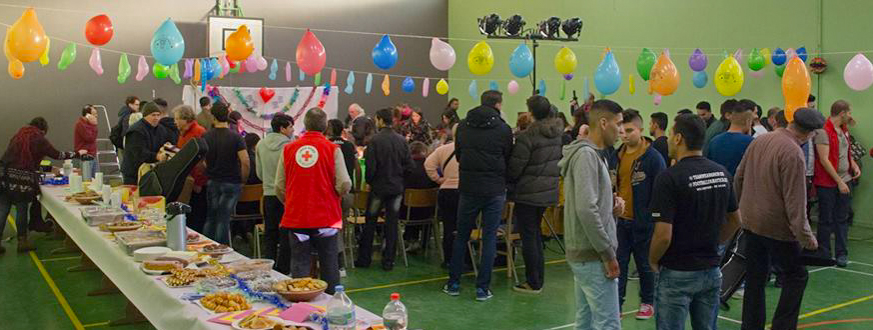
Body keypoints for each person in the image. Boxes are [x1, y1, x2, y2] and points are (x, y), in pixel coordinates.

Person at [648, 113, 741, 330]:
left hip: (676, 271)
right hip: (711, 269)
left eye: (671, 134)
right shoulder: (722, 173)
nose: (669, 139)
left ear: (679, 138)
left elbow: (663, 235)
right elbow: (736, 220)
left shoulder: (669, 178)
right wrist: (715, 242)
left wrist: (652, 260)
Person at [735, 108, 823, 330]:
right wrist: (807, 237)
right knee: (796, 276)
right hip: (776, 228)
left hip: (750, 222)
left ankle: (750, 326)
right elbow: (796, 204)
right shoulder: (794, 153)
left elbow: (739, 177)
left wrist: (740, 209)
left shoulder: (760, 140)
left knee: (755, 279)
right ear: (809, 134)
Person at [559, 99, 624, 329]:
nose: (621, 131)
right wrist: (607, 253)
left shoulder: (594, 155)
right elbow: (586, 209)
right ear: (604, 123)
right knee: (608, 323)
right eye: (619, 124)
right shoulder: (586, 156)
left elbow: (590, 202)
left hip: (587, 253)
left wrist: (611, 205)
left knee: (585, 322)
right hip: (594, 255)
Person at [443, 90, 513, 301]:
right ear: (498, 105)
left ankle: (453, 283)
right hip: (494, 189)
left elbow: (459, 154)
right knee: (490, 237)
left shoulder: (463, 125)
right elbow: (508, 156)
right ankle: (483, 287)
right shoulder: (503, 129)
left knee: (461, 235)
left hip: (469, 187)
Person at [276, 108, 351, 295]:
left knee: (299, 266)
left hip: (297, 218)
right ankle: (332, 304)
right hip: (326, 219)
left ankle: (300, 306)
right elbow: (345, 183)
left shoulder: (288, 149)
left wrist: (291, 201)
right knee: (329, 265)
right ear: (325, 126)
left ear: (305, 124)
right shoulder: (333, 149)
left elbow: (278, 186)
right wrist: (335, 195)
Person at [607, 109, 666, 319]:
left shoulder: (653, 158)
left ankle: (648, 302)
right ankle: (617, 304)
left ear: (641, 130)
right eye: (622, 130)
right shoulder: (615, 156)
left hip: (644, 222)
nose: (624, 134)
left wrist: (655, 219)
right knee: (619, 264)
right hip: (620, 222)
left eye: (630, 130)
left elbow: (661, 192)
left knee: (645, 265)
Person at [506, 95, 563, 294]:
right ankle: (539, 278)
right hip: (547, 191)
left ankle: (533, 281)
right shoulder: (556, 134)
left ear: (531, 113)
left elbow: (515, 167)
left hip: (528, 192)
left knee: (529, 237)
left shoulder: (527, 136)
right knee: (536, 235)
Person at [0, 118, 81, 253]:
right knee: (21, 209)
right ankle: (22, 241)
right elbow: (57, 154)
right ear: (43, 130)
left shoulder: (19, 135)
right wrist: (77, 153)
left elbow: (19, 158)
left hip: (5, 176)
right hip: (22, 179)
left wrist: (48, 169)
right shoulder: (38, 138)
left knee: (3, 209)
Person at [355, 108, 412, 271]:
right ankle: (389, 261)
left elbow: (370, 167)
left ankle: (364, 259)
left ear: (379, 120)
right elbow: (409, 166)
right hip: (396, 189)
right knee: (392, 224)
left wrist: (371, 181)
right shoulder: (402, 140)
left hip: (378, 188)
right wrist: (400, 181)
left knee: (370, 222)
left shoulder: (374, 141)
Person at [812, 100, 859, 268]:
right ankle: (824, 253)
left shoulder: (844, 130)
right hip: (828, 183)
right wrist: (839, 182)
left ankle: (841, 253)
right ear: (842, 113)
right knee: (826, 219)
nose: (851, 116)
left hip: (845, 179)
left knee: (842, 219)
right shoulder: (823, 132)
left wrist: (852, 164)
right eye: (849, 113)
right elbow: (824, 160)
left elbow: (845, 151)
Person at [202, 102, 250, 244]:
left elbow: (201, 161)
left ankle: (207, 248)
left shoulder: (206, 136)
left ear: (213, 117)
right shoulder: (236, 137)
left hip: (212, 181)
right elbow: (245, 161)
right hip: (231, 182)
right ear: (228, 116)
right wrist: (243, 179)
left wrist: (208, 170)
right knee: (223, 219)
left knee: (211, 217)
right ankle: (221, 252)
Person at [256, 114, 294, 274]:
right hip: (286, 195)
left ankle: (269, 268)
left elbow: (259, 172)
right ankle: (284, 268)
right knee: (286, 232)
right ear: (282, 128)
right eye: (291, 127)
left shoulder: (260, 144)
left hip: (268, 194)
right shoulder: (290, 146)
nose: (292, 130)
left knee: (270, 232)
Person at [425, 123, 460, 268]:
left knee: (448, 227)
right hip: (465, 191)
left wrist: (438, 179)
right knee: (464, 227)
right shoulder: (472, 150)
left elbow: (428, 164)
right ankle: (464, 259)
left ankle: (448, 259)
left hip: (446, 190)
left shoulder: (443, 150)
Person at [326, 118, 357, 275]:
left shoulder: (327, 146)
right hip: (348, 193)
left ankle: (337, 264)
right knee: (340, 228)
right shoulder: (350, 145)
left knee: (330, 230)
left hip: (332, 194)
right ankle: (341, 263)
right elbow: (357, 169)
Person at [172, 105, 208, 232]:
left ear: (185, 119)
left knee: (196, 216)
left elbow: (200, 161)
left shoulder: (198, 132)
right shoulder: (182, 134)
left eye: (177, 119)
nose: (174, 122)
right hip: (186, 180)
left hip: (196, 183)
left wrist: (198, 182)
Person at [400, 141, 439, 253]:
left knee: (407, 204)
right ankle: (425, 241)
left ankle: (410, 238)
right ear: (424, 152)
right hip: (428, 212)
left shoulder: (404, 168)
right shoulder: (431, 167)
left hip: (406, 212)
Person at [121, 103, 173, 185]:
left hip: (152, 171)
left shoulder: (161, 129)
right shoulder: (136, 131)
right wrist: (157, 156)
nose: (156, 118)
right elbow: (138, 153)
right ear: (145, 116)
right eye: (153, 115)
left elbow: (164, 144)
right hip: (134, 173)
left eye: (158, 115)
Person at [704, 100, 753, 176]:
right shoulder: (751, 142)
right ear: (748, 121)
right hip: (739, 185)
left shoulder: (714, 141)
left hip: (720, 184)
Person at [74, 105, 99, 179]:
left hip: (92, 156)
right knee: (87, 181)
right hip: (85, 158)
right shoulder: (80, 124)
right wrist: (94, 125)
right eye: (94, 114)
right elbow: (90, 138)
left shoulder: (87, 124)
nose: (96, 116)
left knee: (96, 180)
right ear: (88, 115)